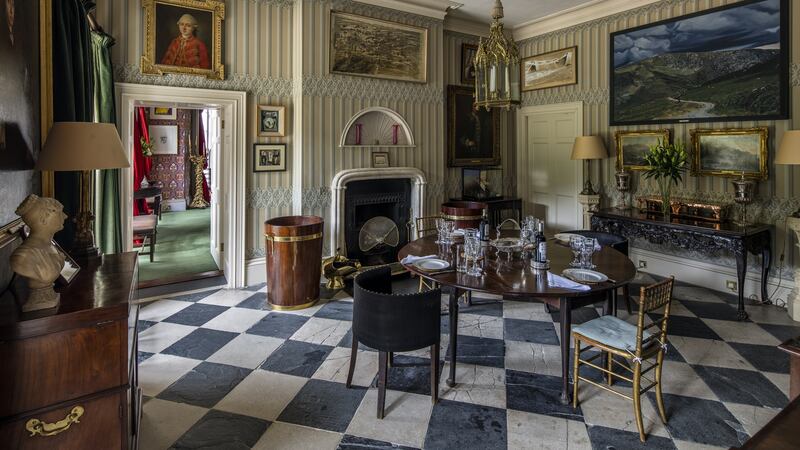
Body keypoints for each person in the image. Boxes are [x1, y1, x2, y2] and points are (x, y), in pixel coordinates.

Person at [10, 194, 68, 311]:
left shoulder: (51, 247)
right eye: (59, 212)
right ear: (44, 218)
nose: (65, 216)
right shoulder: (23, 256)